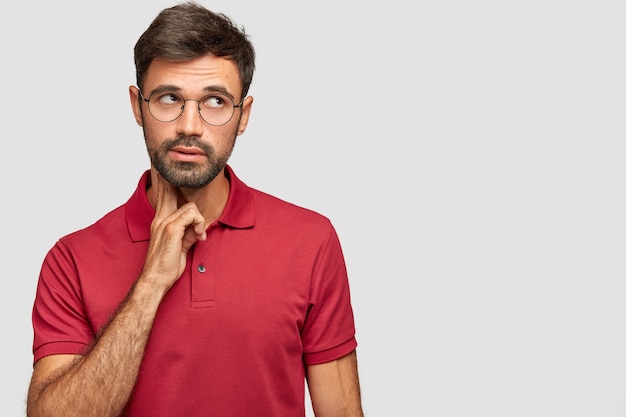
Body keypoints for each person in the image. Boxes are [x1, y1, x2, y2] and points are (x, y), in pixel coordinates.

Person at [26, 2, 363, 416]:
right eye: (169, 98)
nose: (189, 125)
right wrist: (150, 283)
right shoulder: (71, 259)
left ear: (243, 116)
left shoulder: (311, 241)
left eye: (216, 101)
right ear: (137, 106)